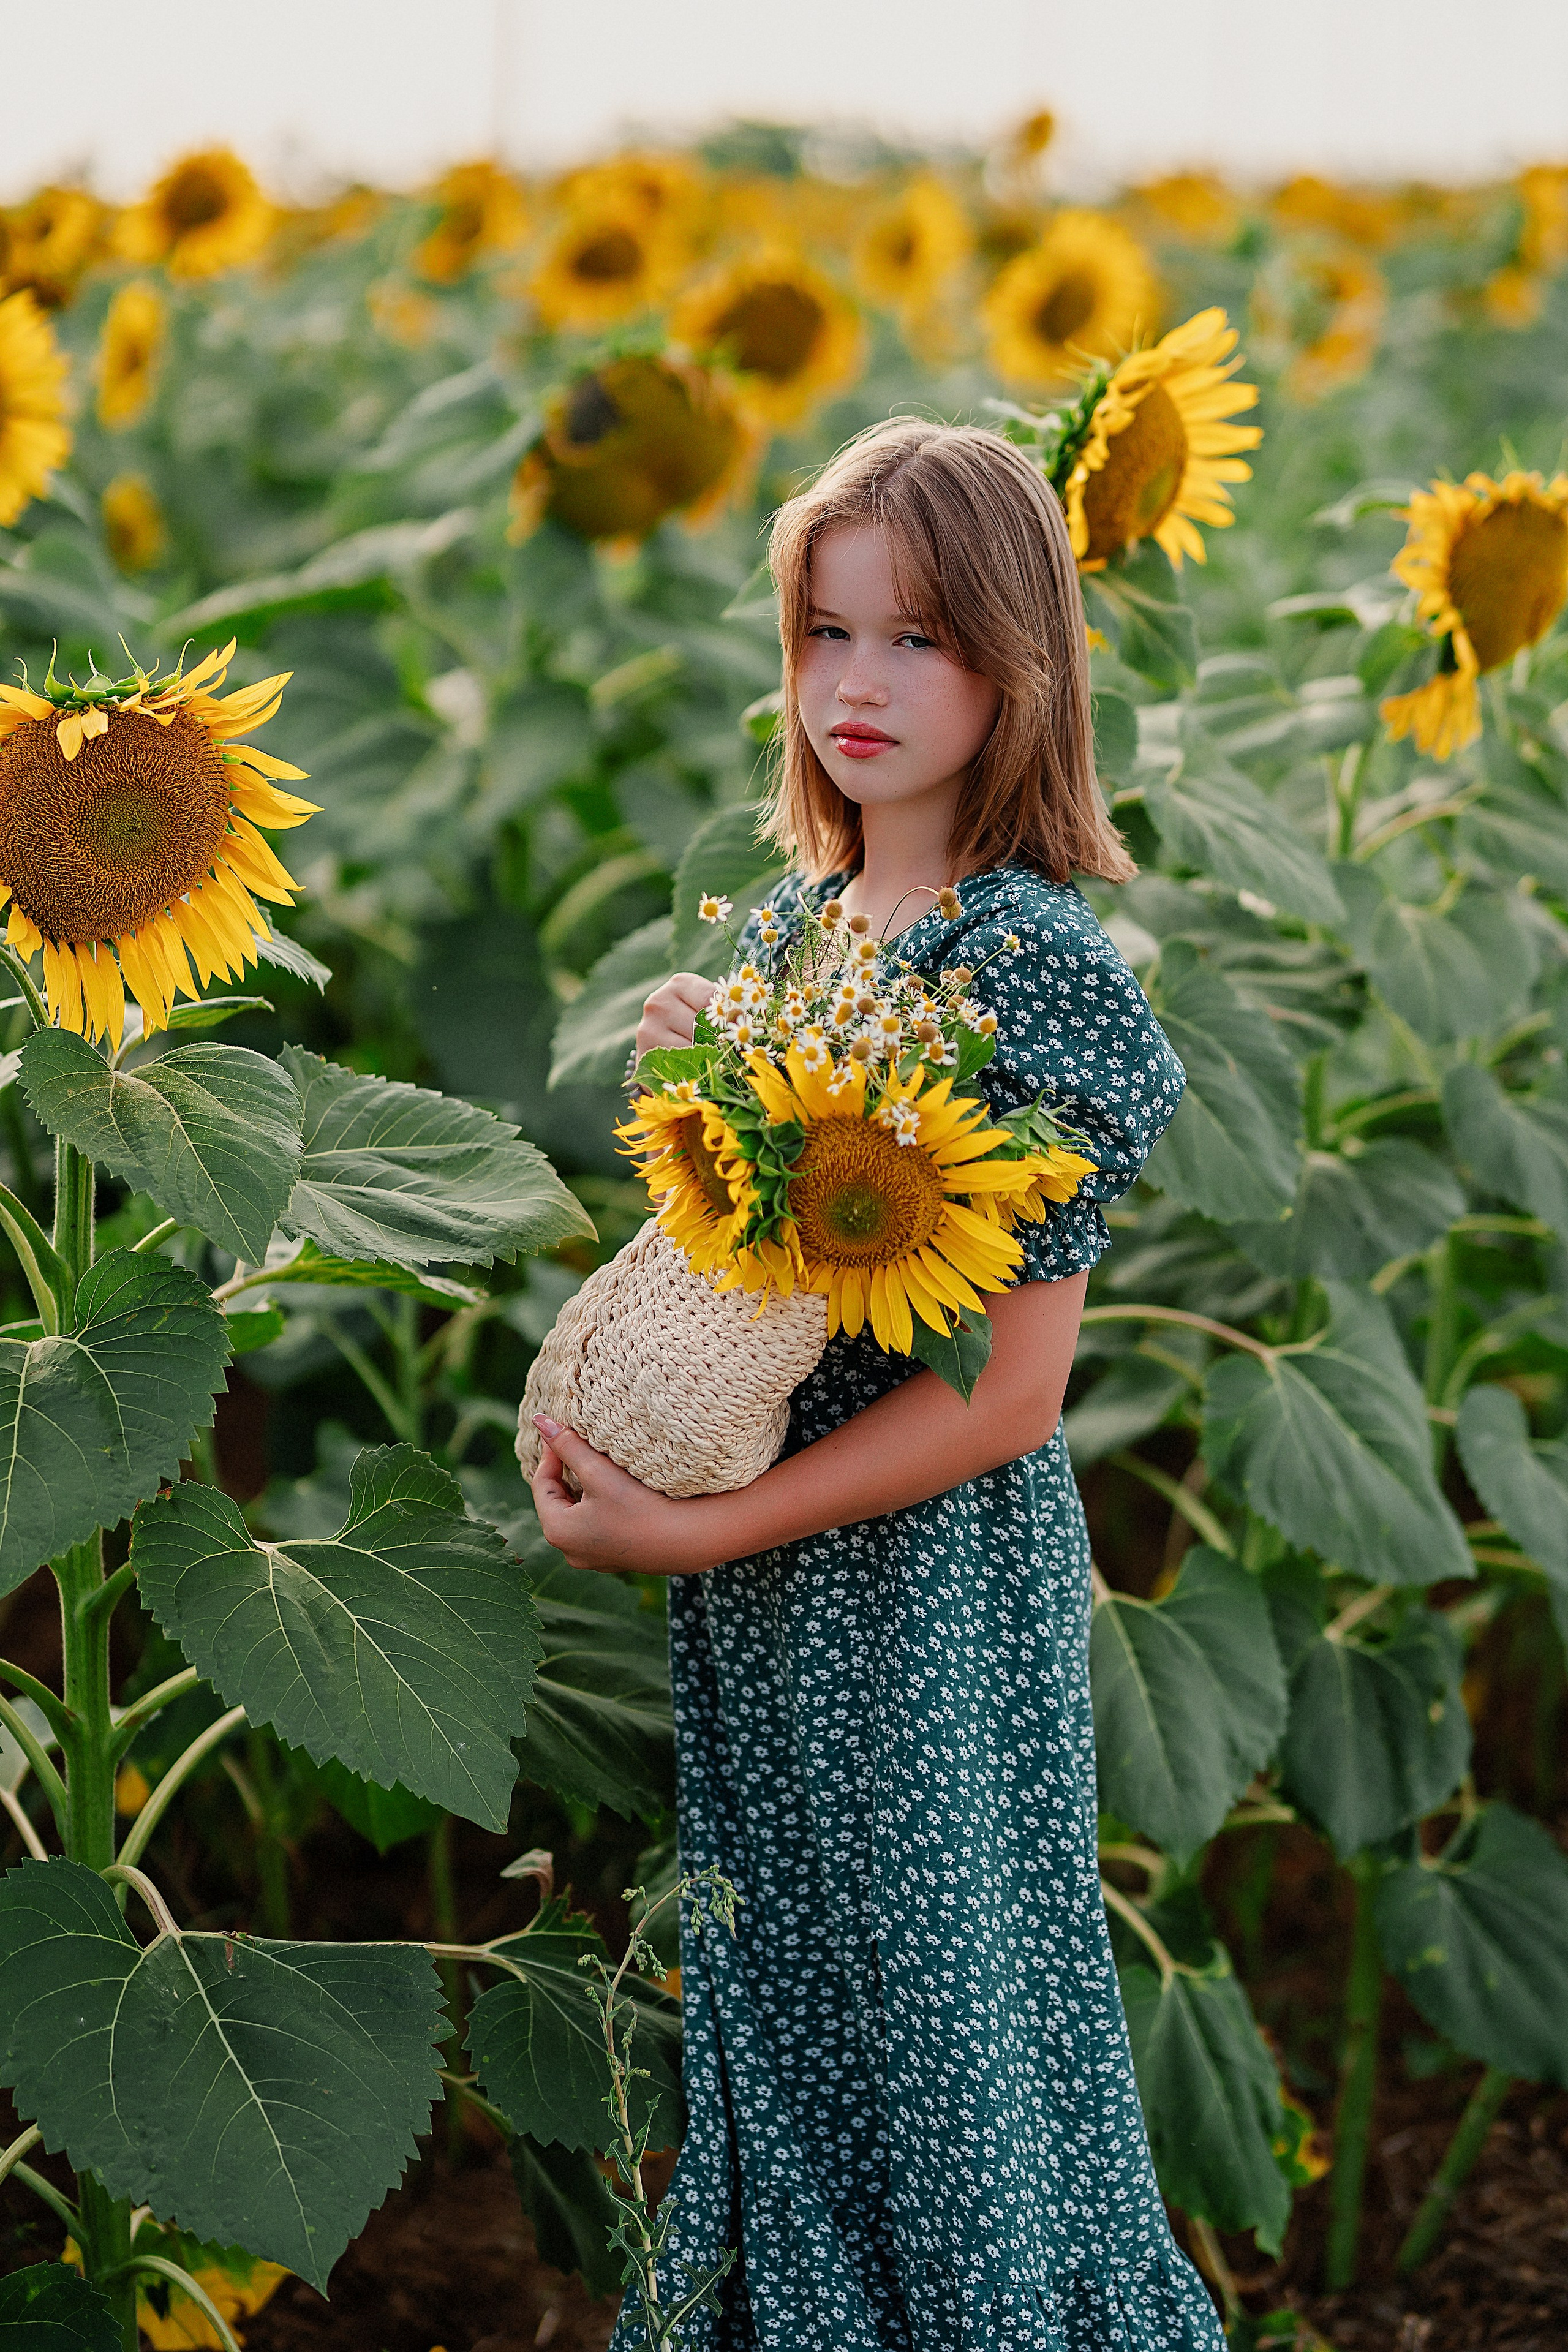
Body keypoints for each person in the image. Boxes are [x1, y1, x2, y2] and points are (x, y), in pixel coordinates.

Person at [529, 418, 1218, 2351]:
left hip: (918, 1597)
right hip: (769, 1590)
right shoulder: (790, 928)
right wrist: (710, 1092)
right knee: (803, 1997)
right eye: (826, 634)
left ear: (1020, 659)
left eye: (916, 639)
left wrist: (700, 1525)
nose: (857, 686)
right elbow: (770, 1290)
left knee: (948, 2030)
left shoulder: (1032, 967)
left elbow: (1006, 1400)